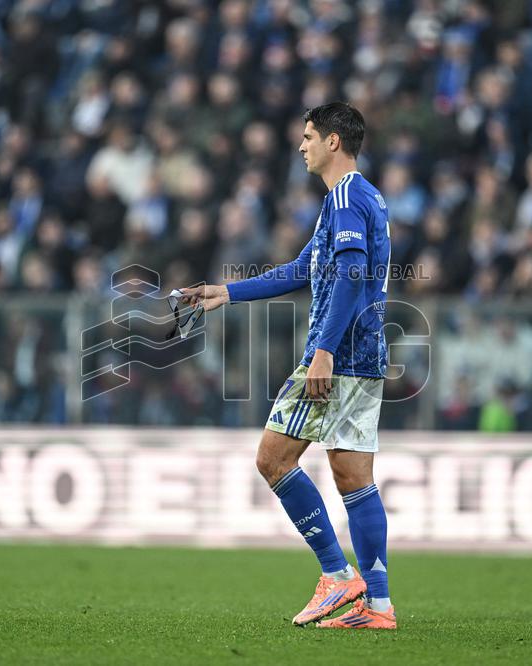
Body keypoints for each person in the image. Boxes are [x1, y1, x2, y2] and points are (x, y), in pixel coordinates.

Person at [180, 102, 395, 630]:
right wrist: (226, 292)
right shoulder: (362, 198)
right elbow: (302, 269)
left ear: (333, 143)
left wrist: (323, 349)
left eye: (308, 137)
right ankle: (379, 606)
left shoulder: (345, 197)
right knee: (354, 478)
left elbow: (348, 275)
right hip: (365, 356)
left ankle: (337, 576)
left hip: (337, 355)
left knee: (273, 460)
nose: (301, 146)